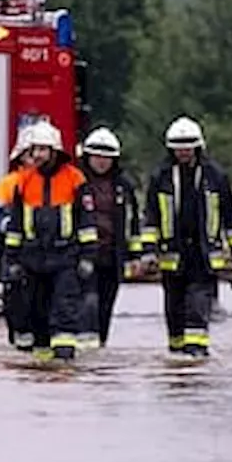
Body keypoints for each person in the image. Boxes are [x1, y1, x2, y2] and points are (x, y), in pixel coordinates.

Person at [139, 116, 232, 358]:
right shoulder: (161, 177)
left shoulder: (215, 176)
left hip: (204, 254)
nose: (183, 151)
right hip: (172, 255)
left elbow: (230, 217)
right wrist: (147, 252)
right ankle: (177, 355)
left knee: (198, 305)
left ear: (198, 146)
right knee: (174, 309)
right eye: (178, 146)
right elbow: (151, 218)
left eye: (188, 146)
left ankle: (196, 353)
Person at [1, 120, 97, 361]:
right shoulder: (23, 181)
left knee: (64, 310)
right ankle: (42, 371)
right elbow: (15, 225)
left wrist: (88, 256)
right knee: (36, 312)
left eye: (43, 149)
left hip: (66, 256)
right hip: (32, 258)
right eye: (35, 150)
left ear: (55, 151)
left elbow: (86, 222)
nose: (38, 155)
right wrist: (11, 259)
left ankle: (64, 361)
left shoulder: (75, 179)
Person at [77, 127, 143, 348]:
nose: (102, 161)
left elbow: (132, 221)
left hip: (112, 257)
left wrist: (134, 255)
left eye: (107, 157)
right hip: (82, 256)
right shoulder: (77, 183)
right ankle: (87, 351)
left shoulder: (123, 186)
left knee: (105, 306)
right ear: (88, 156)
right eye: (97, 156)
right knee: (88, 303)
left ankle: (100, 348)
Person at [0, 124, 37, 349]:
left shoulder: (57, 183)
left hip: (46, 257)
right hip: (13, 255)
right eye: (31, 153)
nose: (35, 158)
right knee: (15, 308)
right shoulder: (8, 185)